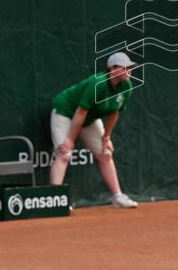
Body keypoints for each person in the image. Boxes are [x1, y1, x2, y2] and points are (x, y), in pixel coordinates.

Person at [48, 52, 138, 209]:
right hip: (66, 112)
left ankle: (117, 196)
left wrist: (106, 137)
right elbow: (80, 112)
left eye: (130, 68)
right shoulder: (97, 84)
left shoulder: (127, 86)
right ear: (113, 69)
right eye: (126, 68)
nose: (129, 71)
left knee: (105, 153)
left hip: (88, 118)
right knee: (64, 153)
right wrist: (70, 139)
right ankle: (56, 201)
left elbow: (114, 112)